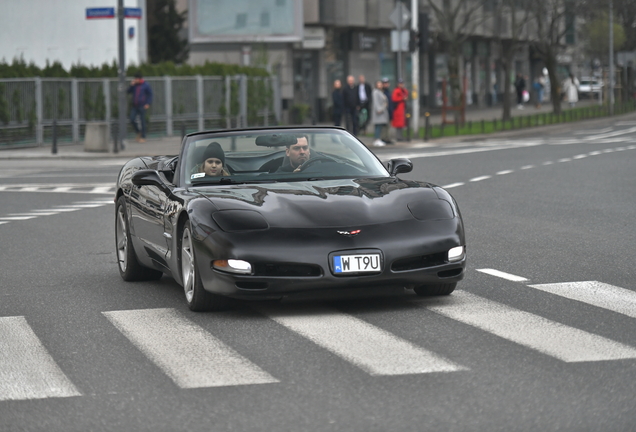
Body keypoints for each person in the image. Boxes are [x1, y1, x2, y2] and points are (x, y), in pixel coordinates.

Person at [127, 72, 153, 142]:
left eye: (136, 79)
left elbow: (150, 94)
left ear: (139, 79)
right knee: (132, 119)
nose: (135, 80)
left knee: (142, 121)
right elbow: (128, 92)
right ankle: (138, 132)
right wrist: (131, 85)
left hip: (142, 105)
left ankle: (143, 137)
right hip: (135, 105)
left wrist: (148, 103)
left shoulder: (145, 85)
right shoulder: (134, 86)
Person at [371, 80, 389, 147]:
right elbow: (376, 102)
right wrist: (379, 109)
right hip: (378, 112)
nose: (380, 86)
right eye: (378, 84)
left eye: (380, 84)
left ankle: (378, 139)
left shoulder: (380, 92)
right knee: (378, 126)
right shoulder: (375, 92)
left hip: (382, 111)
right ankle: (376, 139)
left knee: (379, 126)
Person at [381, 77, 394, 144]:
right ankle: (384, 138)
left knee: (388, 126)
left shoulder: (388, 92)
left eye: (387, 83)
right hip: (384, 112)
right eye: (384, 83)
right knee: (384, 126)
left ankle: (387, 138)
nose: (386, 85)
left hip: (389, 111)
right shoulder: (382, 92)